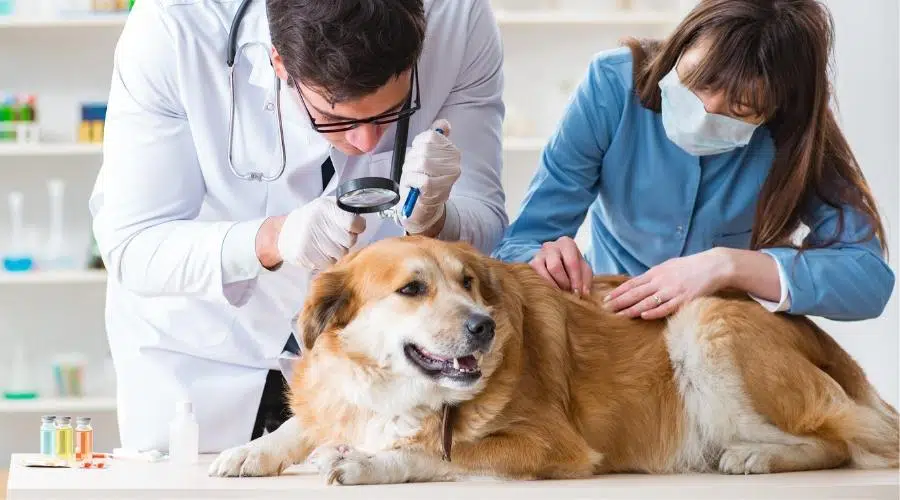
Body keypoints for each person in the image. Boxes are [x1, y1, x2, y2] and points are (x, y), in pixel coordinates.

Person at [89, 0, 507, 453]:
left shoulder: (459, 19)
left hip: (382, 375)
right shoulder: (173, 28)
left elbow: (486, 224)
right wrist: (271, 239)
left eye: (392, 112)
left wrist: (438, 218)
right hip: (204, 354)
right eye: (336, 117)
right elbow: (133, 245)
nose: (366, 143)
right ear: (279, 63)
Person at [493, 0, 894, 322]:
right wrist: (542, 259)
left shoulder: (796, 137)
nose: (706, 111)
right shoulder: (611, 85)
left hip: (730, 335)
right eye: (699, 81)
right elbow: (520, 242)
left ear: (778, 111)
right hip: (615, 326)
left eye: (741, 107)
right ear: (682, 44)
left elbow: (867, 279)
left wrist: (728, 266)